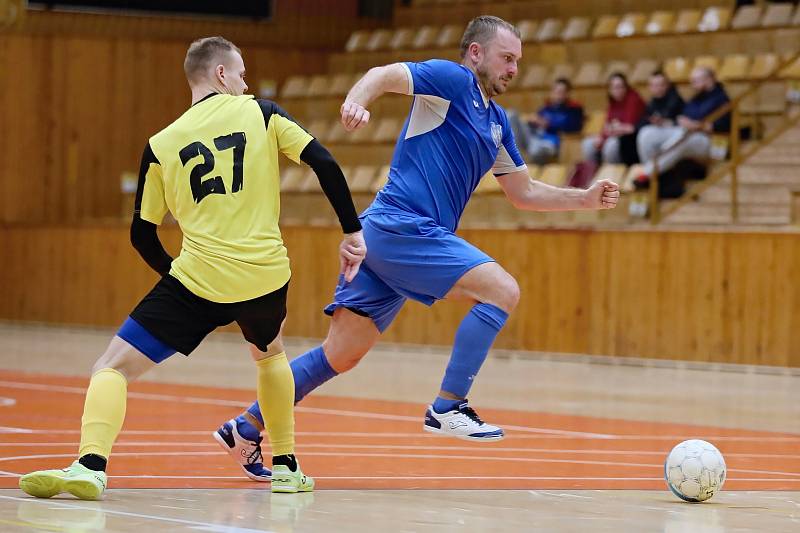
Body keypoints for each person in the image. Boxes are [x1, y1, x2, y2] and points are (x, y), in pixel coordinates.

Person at [214, 16, 619, 482]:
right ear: (475, 53)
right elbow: (386, 75)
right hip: (402, 226)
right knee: (501, 290)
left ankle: (245, 426)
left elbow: (523, 192)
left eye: (517, 62)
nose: (513, 69)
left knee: (340, 354)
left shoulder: (498, 122)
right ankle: (448, 405)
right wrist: (356, 101)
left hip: (382, 239)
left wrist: (584, 199)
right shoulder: (451, 81)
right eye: (506, 58)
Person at [18, 36, 366, 499]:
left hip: (198, 279)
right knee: (271, 354)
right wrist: (351, 230)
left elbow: (142, 234)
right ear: (221, 74)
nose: (245, 83)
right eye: (240, 73)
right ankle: (285, 466)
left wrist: (179, 279)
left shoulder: (161, 144)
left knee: (112, 367)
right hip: (265, 275)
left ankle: (90, 465)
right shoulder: (262, 113)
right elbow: (323, 162)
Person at [633, 66, 730, 188]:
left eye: (696, 81)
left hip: (707, 139)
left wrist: (697, 126)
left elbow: (722, 126)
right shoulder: (696, 97)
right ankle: (655, 173)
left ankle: (647, 174)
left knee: (684, 140)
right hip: (685, 130)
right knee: (647, 133)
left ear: (708, 79)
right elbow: (683, 116)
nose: (692, 84)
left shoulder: (721, 99)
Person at [509, 78, 584, 164]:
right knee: (512, 115)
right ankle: (516, 153)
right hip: (534, 137)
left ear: (567, 93)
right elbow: (537, 121)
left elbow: (574, 127)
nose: (557, 94)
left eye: (560, 92)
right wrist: (532, 121)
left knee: (538, 150)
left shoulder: (574, 109)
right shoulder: (546, 108)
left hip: (551, 141)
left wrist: (548, 124)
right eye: (555, 91)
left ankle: (525, 157)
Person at [582, 72, 646, 165]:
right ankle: (593, 173)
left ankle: (614, 175)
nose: (618, 90)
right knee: (588, 144)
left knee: (610, 146)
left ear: (626, 87)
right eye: (614, 87)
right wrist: (602, 137)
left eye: (621, 87)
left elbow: (629, 127)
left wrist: (613, 129)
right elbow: (608, 125)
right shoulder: (613, 102)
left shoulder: (633, 99)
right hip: (615, 135)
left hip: (630, 141)